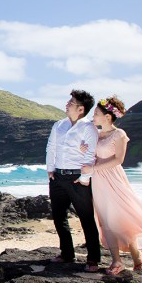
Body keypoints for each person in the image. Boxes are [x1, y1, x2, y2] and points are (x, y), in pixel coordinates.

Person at [81, 96, 142, 275]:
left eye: (96, 113)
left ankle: (137, 257)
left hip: (113, 179)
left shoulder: (119, 134)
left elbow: (119, 159)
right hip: (98, 181)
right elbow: (90, 155)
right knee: (106, 221)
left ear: (108, 117)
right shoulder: (96, 133)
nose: (93, 116)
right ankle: (117, 261)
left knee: (121, 219)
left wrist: (94, 167)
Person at [45, 90, 102, 272]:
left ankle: (93, 259)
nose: (67, 104)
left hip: (78, 177)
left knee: (86, 217)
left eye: (71, 102)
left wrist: (85, 178)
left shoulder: (88, 127)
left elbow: (90, 153)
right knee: (59, 216)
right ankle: (67, 253)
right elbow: (51, 147)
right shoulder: (59, 125)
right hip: (58, 176)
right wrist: (50, 169)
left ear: (81, 108)